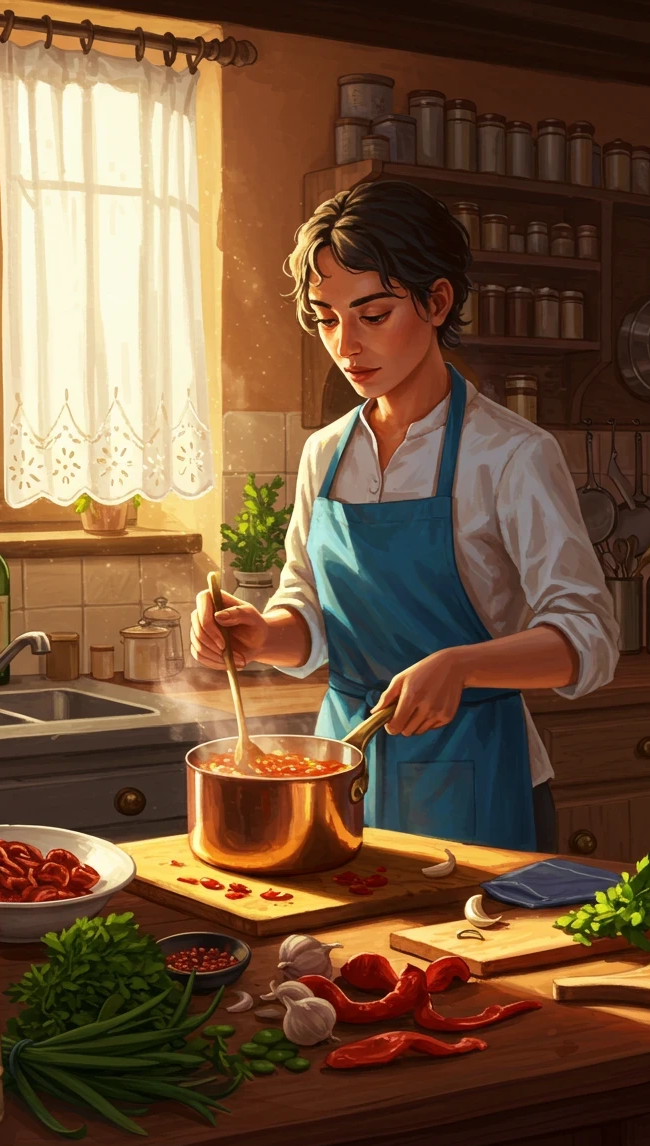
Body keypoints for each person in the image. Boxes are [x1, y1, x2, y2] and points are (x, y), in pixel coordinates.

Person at [192, 179, 618, 852]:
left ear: (437, 299)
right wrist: (261, 636)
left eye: (373, 313)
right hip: (342, 777)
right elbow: (309, 612)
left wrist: (461, 667)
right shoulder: (324, 454)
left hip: (481, 776)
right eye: (327, 318)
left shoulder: (510, 454)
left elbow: (588, 640)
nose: (346, 344)